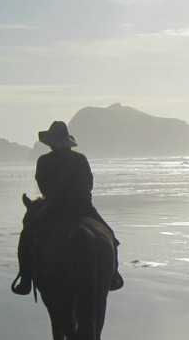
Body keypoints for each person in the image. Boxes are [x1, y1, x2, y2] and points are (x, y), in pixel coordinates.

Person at [11, 121, 124, 295]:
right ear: (68, 142)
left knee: (27, 236)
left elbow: (43, 186)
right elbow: (89, 184)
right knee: (111, 237)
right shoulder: (80, 159)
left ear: (51, 143)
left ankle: (25, 280)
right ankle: (113, 275)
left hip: (53, 208)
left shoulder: (44, 160)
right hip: (84, 207)